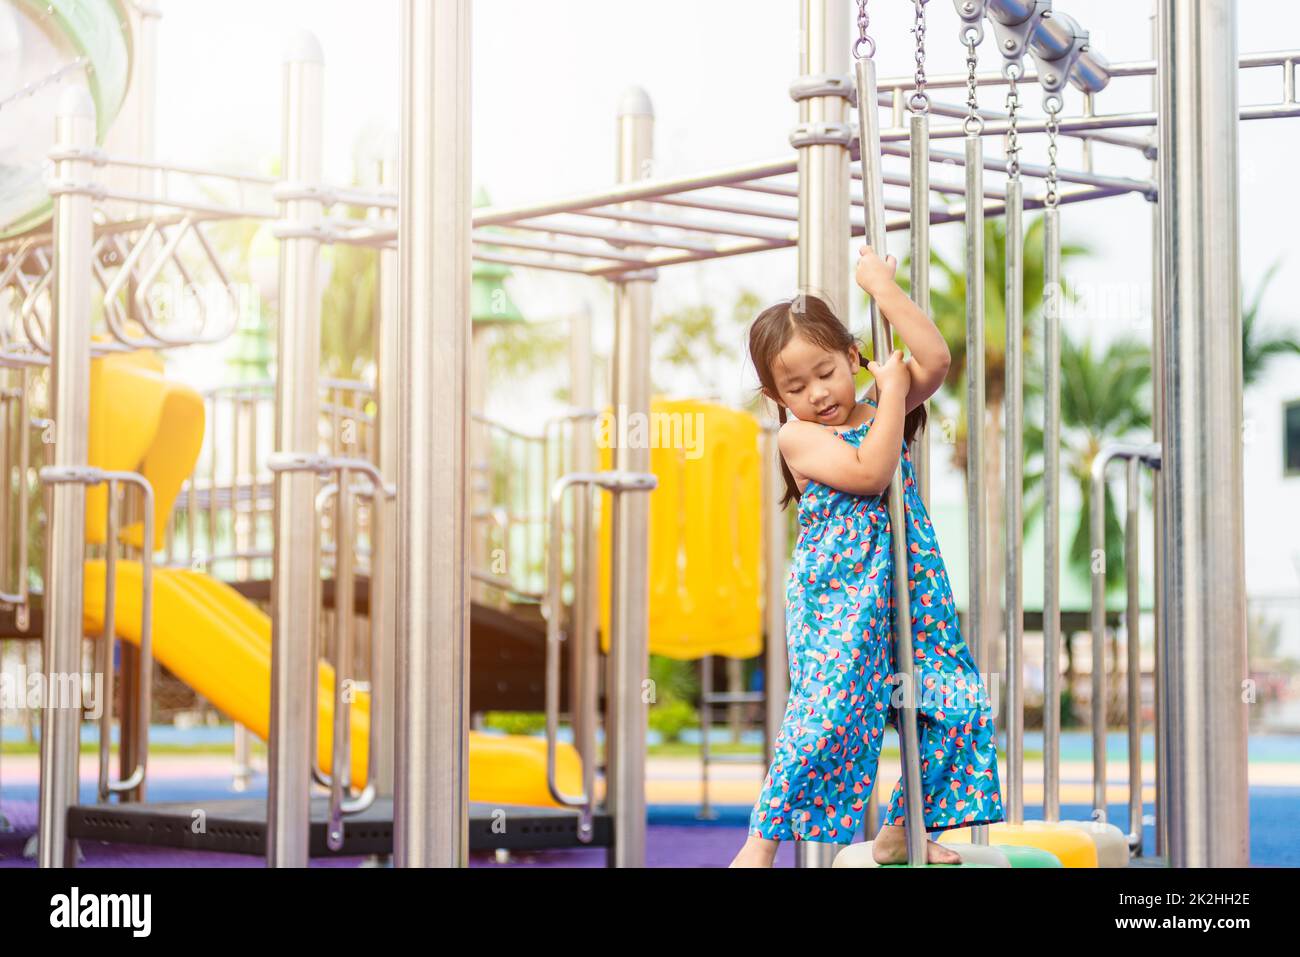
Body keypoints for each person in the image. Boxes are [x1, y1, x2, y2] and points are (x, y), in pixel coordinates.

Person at [729, 245, 1005, 867]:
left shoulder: (879, 408)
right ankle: (761, 843)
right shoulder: (798, 436)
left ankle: (905, 828)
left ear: (852, 356)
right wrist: (890, 395)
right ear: (776, 396)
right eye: (793, 387)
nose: (818, 394)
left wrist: (882, 287)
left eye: (825, 372)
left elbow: (934, 359)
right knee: (830, 712)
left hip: (911, 585)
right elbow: (871, 470)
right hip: (839, 594)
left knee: (955, 701)